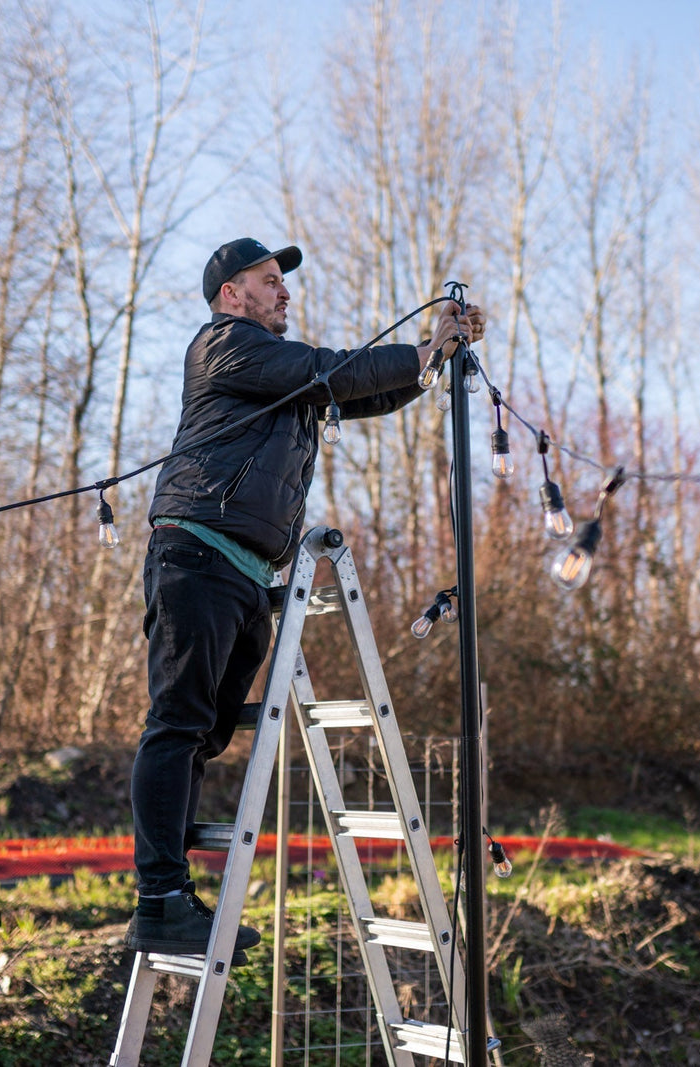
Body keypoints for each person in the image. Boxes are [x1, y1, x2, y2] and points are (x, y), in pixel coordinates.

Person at [126, 237, 484, 957]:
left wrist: (433, 356)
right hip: (196, 553)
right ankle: (158, 897)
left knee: (207, 729)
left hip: (244, 572)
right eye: (269, 281)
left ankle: (173, 894)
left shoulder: (276, 376)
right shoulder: (225, 347)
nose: (284, 292)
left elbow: (352, 388)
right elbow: (328, 369)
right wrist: (419, 349)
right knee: (178, 722)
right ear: (233, 294)